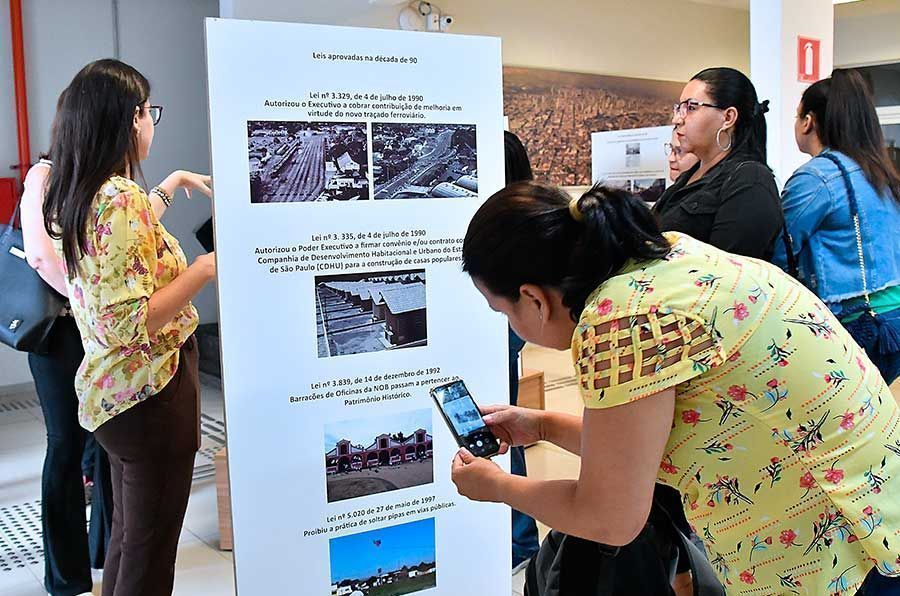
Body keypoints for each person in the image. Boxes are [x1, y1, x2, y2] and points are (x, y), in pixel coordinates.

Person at [453, 181, 900, 595]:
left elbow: (608, 517)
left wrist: (497, 486)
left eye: (503, 311)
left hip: (831, 545)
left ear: (533, 298)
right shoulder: (668, 260)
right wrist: (543, 425)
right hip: (870, 507)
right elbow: (635, 452)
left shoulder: (619, 321)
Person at [42, 59, 216, 596]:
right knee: (148, 554)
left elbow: (126, 253)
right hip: (151, 392)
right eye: (148, 112)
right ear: (126, 119)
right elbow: (131, 319)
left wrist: (171, 183)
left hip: (112, 394)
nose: (151, 122)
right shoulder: (118, 197)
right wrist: (208, 267)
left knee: (129, 543)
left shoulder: (79, 190)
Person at [20, 152, 112, 595]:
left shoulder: (104, 175)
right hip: (60, 330)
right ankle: (66, 575)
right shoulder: (43, 176)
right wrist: (89, 302)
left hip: (98, 326)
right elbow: (40, 257)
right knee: (66, 444)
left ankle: (105, 551)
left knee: (107, 440)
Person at [773, 69, 900, 385]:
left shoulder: (816, 178)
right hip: (893, 317)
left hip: (855, 321)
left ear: (808, 121)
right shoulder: (880, 172)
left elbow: (779, 250)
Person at [653, 67, 781, 260]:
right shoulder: (691, 175)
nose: (677, 119)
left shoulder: (750, 180)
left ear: (728, 118)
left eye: (691, 107)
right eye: (679, 108)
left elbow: (726, 276)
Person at [503, 131, 541, 568]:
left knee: (503, 427)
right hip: (512, 329)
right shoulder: (528, 211)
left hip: (503, 329)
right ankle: (521, 539)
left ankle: (521, 540)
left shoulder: (513, 217)